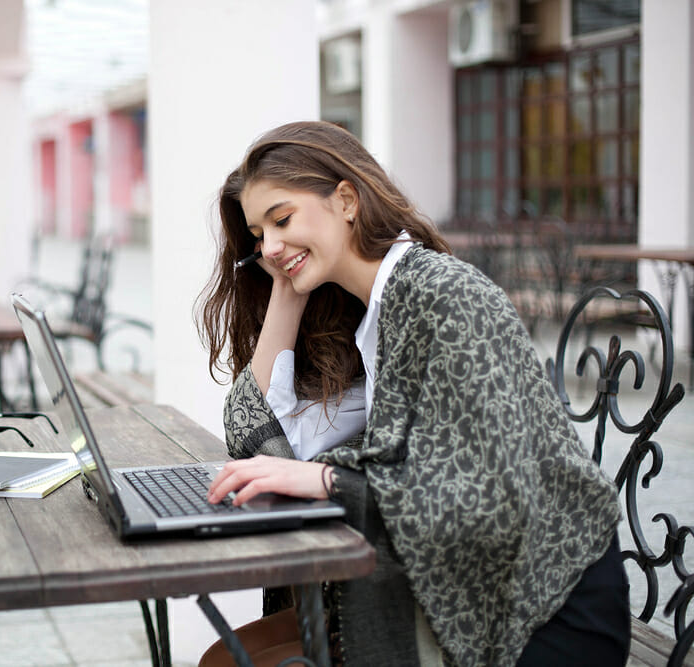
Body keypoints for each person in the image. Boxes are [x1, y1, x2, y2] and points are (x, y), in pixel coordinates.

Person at [195, 121, 629, 667]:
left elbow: (496, 496)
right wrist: (286, 281)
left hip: (538, 604)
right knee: (223, 658)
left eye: (282, 219)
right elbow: (253, 433)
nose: (271, 245)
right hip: (448, 575)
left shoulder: (444, 295)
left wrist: (330, 480)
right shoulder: (367, 313)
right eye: (259, 236)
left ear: (347, 199)